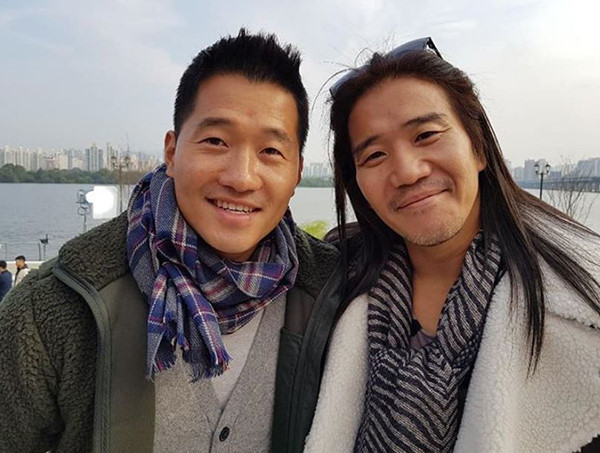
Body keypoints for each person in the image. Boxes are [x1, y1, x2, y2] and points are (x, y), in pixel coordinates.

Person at [0, 30, 342, 453]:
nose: (241, 178)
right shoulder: (55, 305)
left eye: (271, 151)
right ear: (172, 151)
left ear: (297, 173)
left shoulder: (329, 294)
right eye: (216, 141)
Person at [306, 38, 600, 452]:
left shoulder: (581, 304)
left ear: (478, 147)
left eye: (426, 134)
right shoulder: (333, 280)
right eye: (374, 156)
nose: (407, 172)